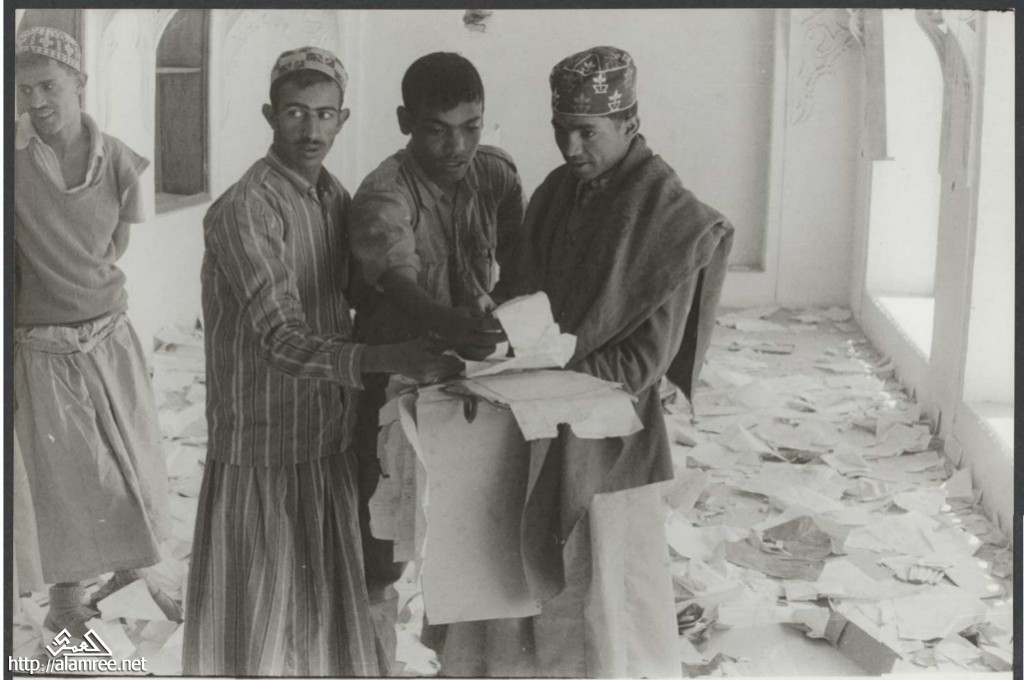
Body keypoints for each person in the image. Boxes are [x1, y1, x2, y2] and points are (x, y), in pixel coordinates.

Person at [434, 46, 735, 677]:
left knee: (600, 602)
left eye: (587, 132)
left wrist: (531, 370)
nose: (570, 147)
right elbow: (521, 292)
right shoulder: (556, 191)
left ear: (629, 122)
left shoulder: (672, 218)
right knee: (518, 589)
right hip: (531, 419)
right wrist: (498, 331)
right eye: (560, 129)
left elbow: (641, 363)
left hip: (607, 439)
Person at [181, 46, 462, 676]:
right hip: (263, 445)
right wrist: (391, 355)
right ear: (270, 115)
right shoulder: (246, 209)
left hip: (325, 438)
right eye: (295, 113)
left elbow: (359, 293)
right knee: (256, 633)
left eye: (325, 114)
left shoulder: (333, 196)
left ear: (343, 118)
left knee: (318, 630)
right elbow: (280, 338)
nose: (311, 130)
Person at [348, 51, 523, 665]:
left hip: (471, 379)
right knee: (384, 544)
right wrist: (454, 324)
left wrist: (506, 312)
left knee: (471, 537)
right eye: (437, 130)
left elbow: (520, 260)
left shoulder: (495, 173)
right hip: (395, 381)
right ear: (405, 122)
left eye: (471, 127)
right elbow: (401, 284)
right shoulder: (384, 194)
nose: (457, 147)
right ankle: (371, 662)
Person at [13, 26, 179, 637]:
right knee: (69, 479)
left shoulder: (122, 161)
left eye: (48, 86)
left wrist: (84, 293)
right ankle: (65, 602)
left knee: (129, 460)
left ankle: (130, 569)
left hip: (109, 338)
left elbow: (114, 246)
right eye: (24, 90)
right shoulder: (10, 160)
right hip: (43, 347)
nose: (36, 102)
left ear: (79, 83)